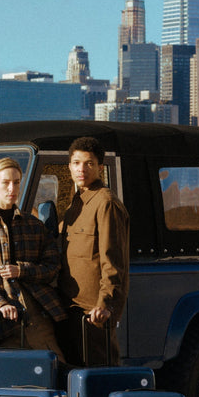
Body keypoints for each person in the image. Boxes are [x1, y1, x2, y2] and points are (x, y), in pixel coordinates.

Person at [0, 157, 66, 360]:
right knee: (14, 379)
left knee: (54, 371)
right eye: (6, 182)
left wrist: (22, 270)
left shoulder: (34, 226)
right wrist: (0, 303)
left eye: (17, 182)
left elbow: (53, 267)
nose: (12, 188)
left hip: (39, 317)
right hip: (3, 323)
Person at [58, 136, 130, 366]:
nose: (82, 169)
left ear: (100, 167)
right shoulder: (75, 203)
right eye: (77, 163)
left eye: (89, 163)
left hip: (93, 311)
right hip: (70, 307)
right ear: (69, 166)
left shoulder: (105, 202)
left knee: (100, 376)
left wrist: (105, 304)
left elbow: (114, 260)